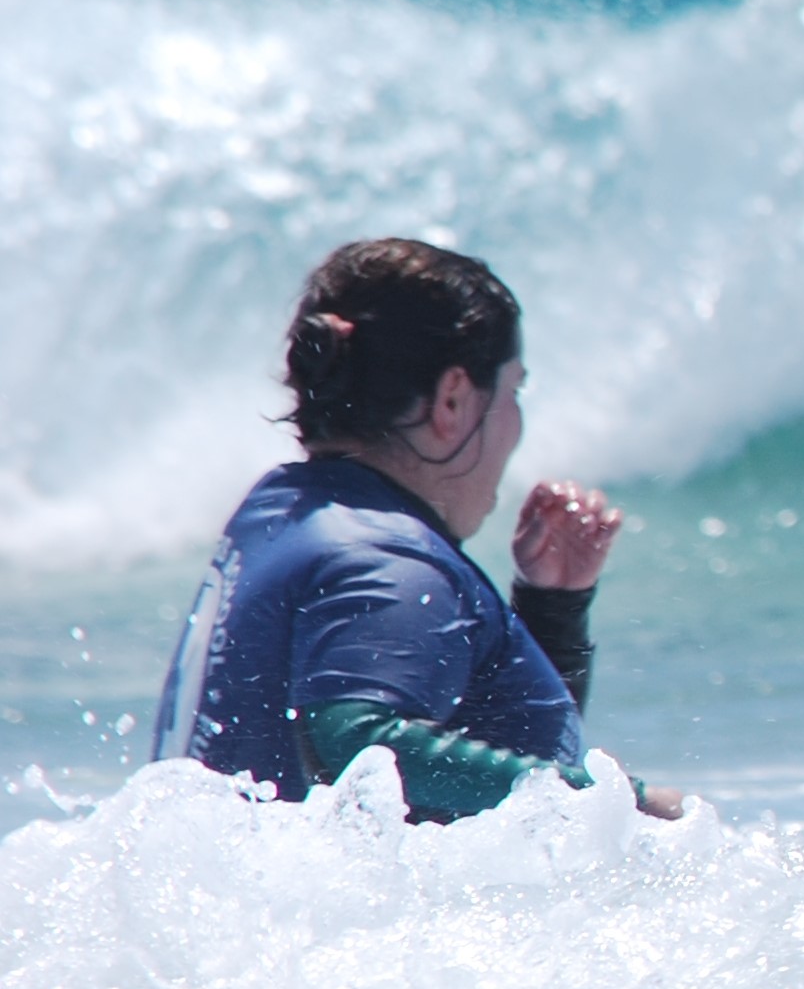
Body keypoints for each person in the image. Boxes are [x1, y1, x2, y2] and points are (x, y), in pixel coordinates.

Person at [152, 237, 683, 823]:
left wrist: (552, 610)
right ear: (452, 400)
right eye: (512, 390)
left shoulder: (279, 515)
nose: (515, 421)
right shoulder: (385, 557)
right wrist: (615, 802)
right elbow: (354, 747)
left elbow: (478, 767)